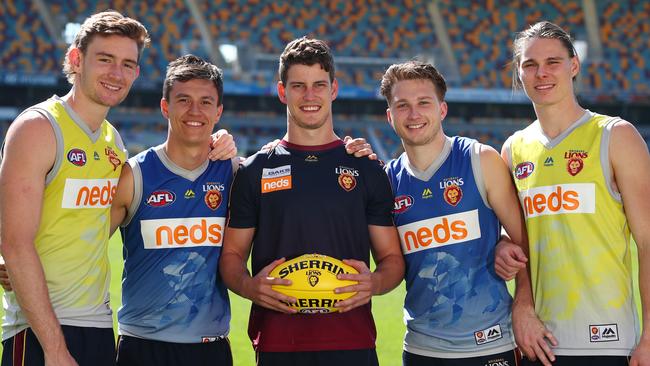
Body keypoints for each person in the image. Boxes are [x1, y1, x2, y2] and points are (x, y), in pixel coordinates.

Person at [219, 37, 405, 365]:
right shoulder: (255, 171)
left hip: (353, 343)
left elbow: (392, 259)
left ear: (334, 89)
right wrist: (250, 287)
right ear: (282, 91)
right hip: (278, 345)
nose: (310, 96)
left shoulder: (366, 167)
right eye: (298, 86)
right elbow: (232, 255)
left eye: (319, 85)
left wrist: (373, 283)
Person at [0, 11, 149, 366]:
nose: (117, 73)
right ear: (76, 59)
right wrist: (54, 349)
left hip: (97, 325)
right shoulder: (38, 127)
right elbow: (15, 242)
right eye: (105, 59)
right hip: (38, 329)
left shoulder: (115, 141)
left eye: (128, 64)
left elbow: (95, 224)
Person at [497, 21, 650, 366]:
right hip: (539, 343)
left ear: (574, 65)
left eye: (553, 62)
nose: (542, 73)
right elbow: (516, 238)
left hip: (607, 341)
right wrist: (505, 249)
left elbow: (647, 241)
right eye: (530, 64)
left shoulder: (615, 135)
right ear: (519, 74)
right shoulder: (513, 149)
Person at [378, 60, 530, 365]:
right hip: (422, 348)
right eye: (402, 105)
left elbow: (527, 241)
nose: (414, 114)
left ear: (442, 109)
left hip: (490, 343)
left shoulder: (480, 159)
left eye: (424, 102)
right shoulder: (386, 182)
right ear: (390, 116)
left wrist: (524, 301)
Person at [109, 54, 235, 366]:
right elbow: (82, 243)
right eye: (183, 100)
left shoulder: (234, 174)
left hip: (210, 348)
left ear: (218, 112)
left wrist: (356, 152)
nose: (195, 111)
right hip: (143, 347)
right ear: (165, 107)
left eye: (206, 102)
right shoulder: (133, 176)